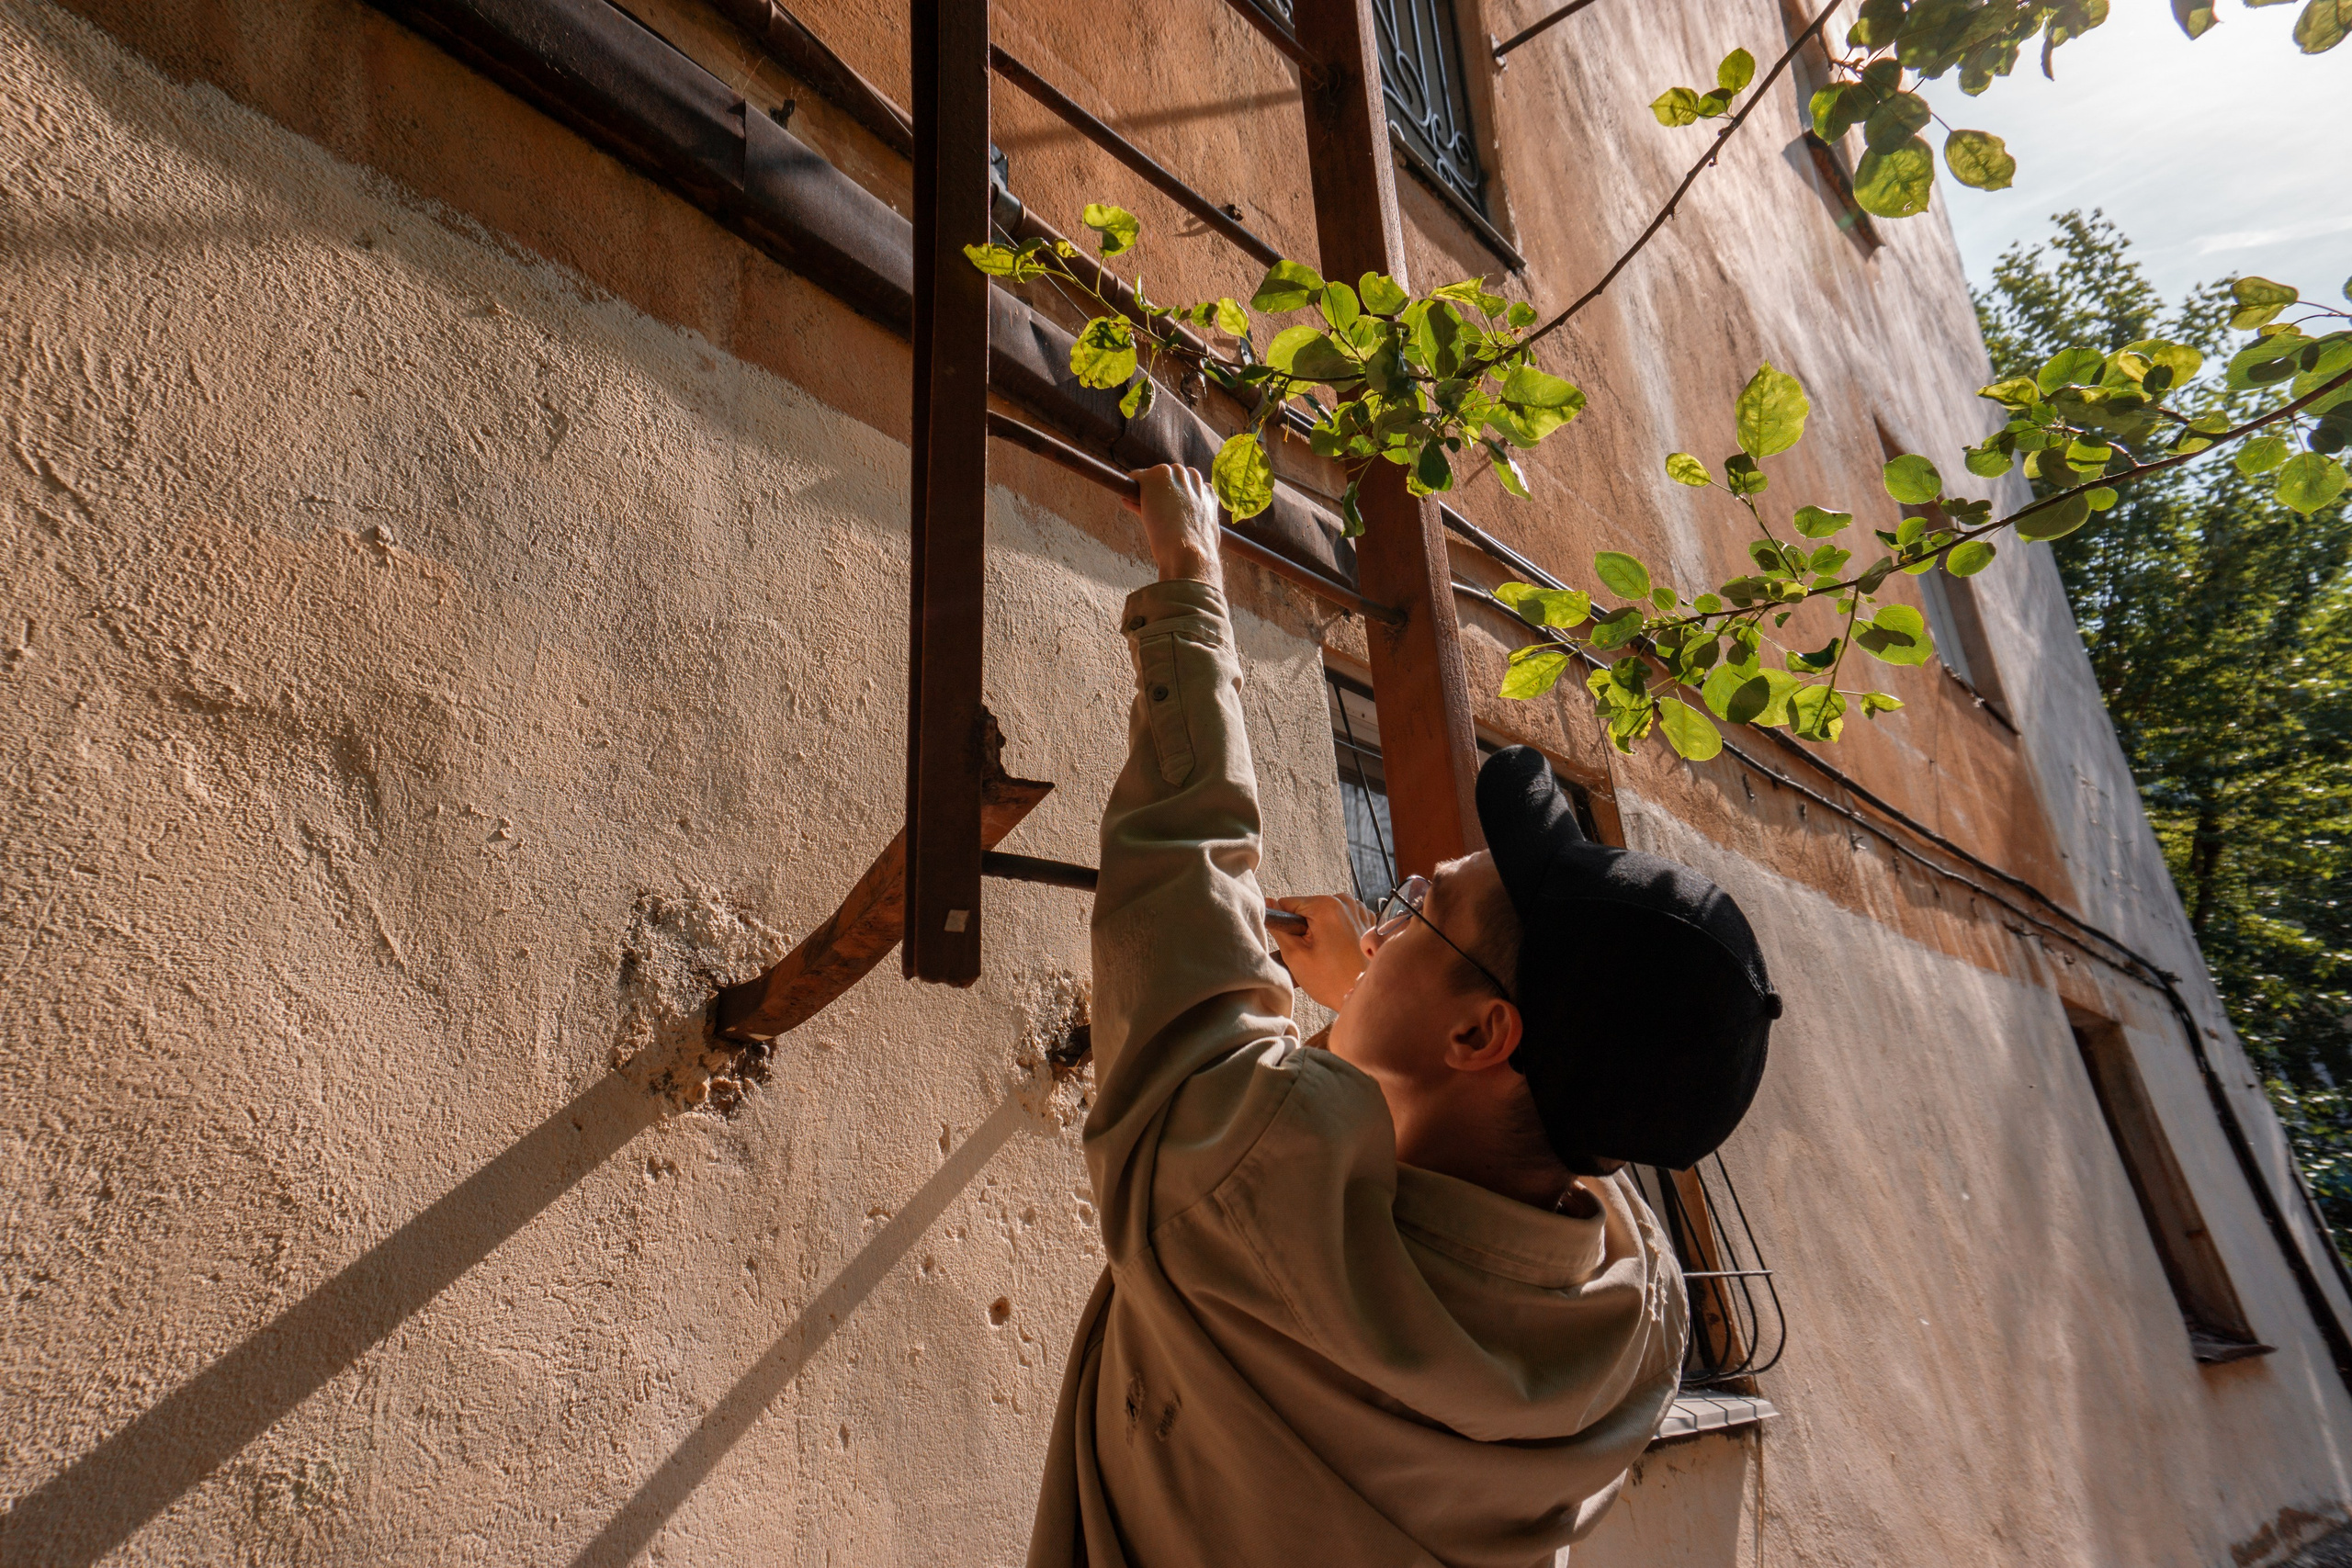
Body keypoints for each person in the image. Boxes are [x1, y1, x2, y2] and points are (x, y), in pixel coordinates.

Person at [1028, 465, 1781, 1568]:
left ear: (1480, 1036)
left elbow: (1183, 883)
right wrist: (1382, 1011)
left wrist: (1191, 576)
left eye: (1420, 906)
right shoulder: (1633, 1328)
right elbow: (1545, 1122)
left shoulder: (1239, 1188)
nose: (1393, 904)